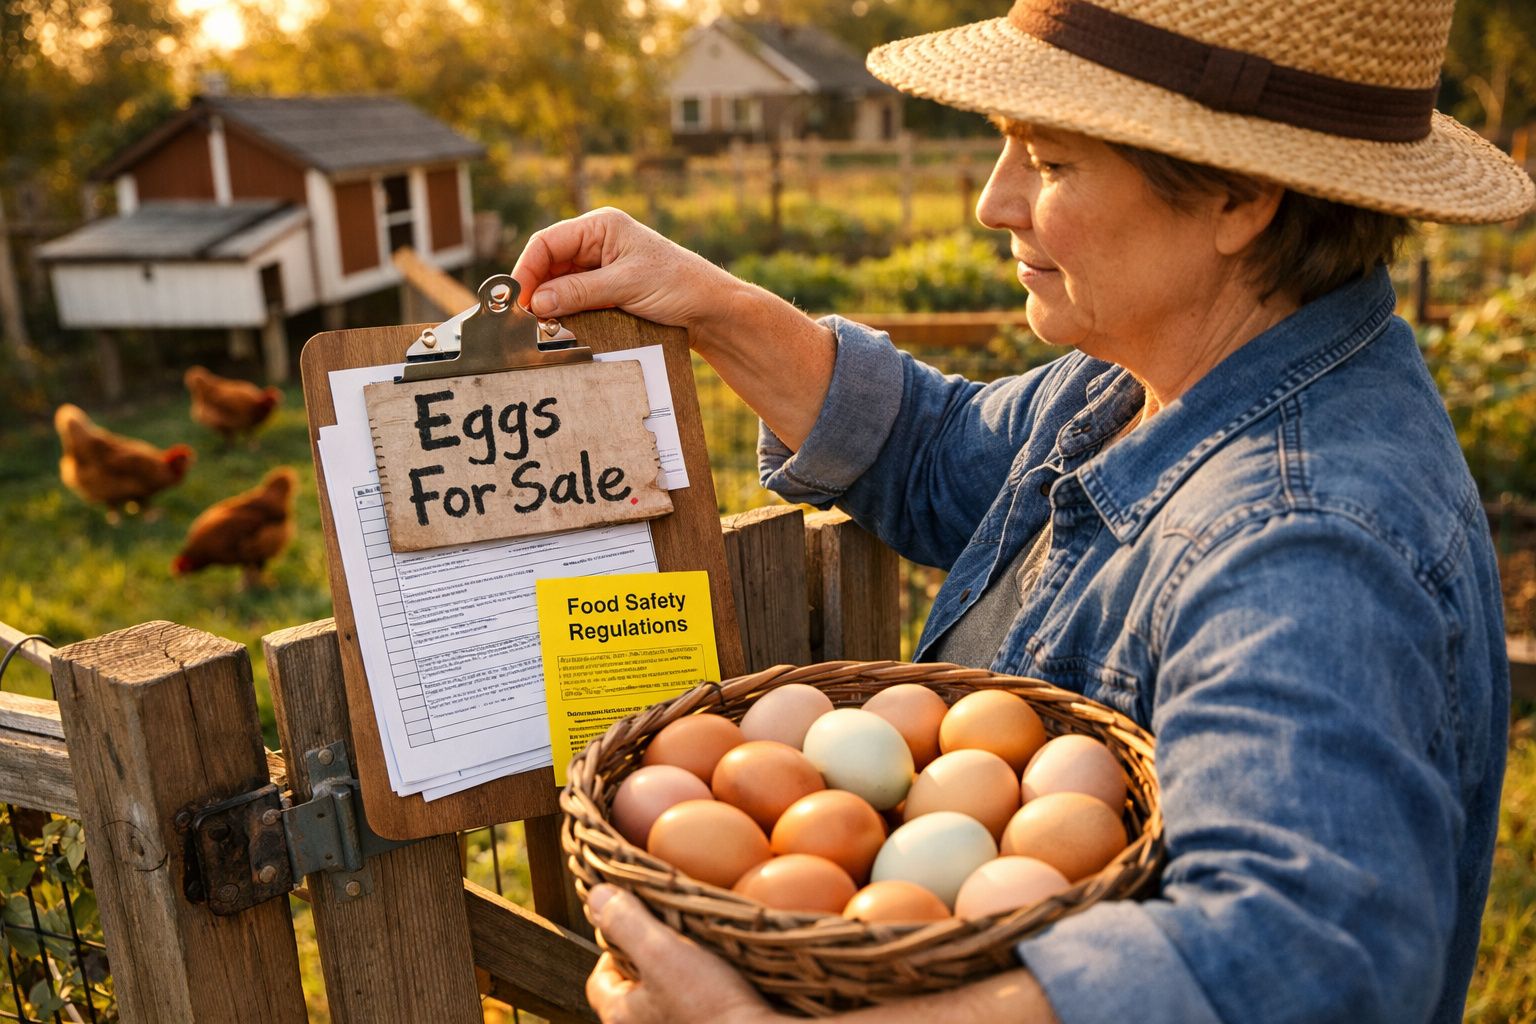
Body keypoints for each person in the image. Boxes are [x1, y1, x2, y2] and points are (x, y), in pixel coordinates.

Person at [512, 0, 1535, 1020]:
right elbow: (936, 453)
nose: (993, 203)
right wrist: (707, 302)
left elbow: (1303, 966)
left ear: (1239, 197)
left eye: (1049, 162)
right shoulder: (1151, 376)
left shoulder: (1303, 548)